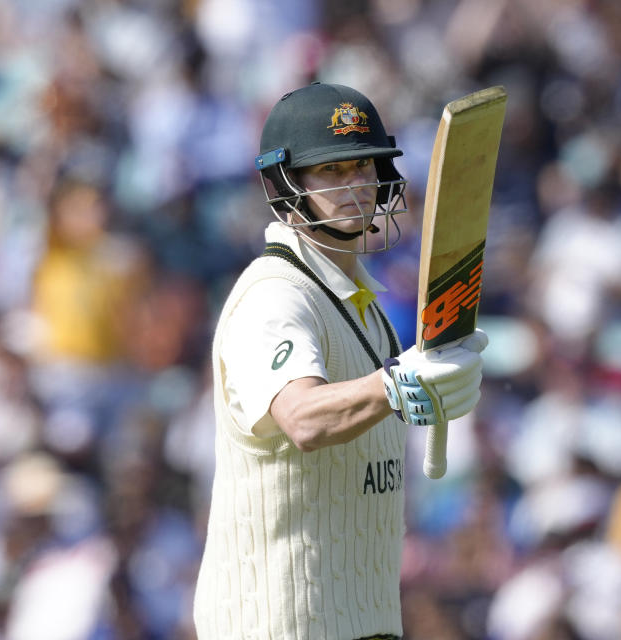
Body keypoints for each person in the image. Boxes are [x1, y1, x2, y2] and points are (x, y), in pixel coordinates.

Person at [193, 82, 487, 640]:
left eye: (364, 167)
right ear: (287, 183)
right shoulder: (276, 296)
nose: (355, 188)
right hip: (278, 624)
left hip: (359, 622)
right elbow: (303, 418)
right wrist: (397, 385)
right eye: (330, 172)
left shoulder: (365, 305)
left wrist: (434, 382)